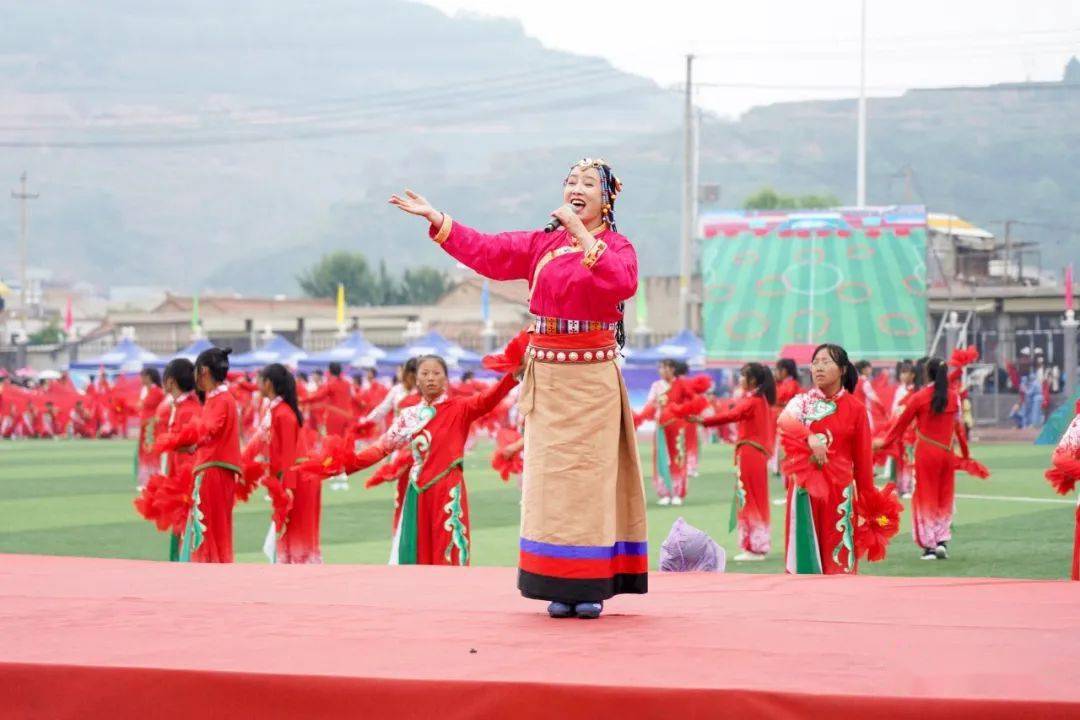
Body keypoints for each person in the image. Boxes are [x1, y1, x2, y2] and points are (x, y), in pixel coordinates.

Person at [389, 157, 647, 619]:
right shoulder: (540, 244)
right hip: (547, 377)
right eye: (571, 181)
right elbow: (487, 251)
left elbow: (621, 282)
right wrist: (439, 220)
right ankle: (554, 581)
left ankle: (590, 585)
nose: (577, 187)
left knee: (587, 480)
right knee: (549, 482)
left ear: (606, 198)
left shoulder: (617, 245)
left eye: (588, 183)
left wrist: (583, 235)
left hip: (590, 379)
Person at [310, 355, 518, 566]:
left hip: (448, 491)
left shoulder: (461, 408)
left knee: (447, 554)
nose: (431, 379)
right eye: (425, 373)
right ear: (416, 379)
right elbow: (381, 448)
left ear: (446, 379)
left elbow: (490, 397)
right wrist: (344, 465)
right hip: (417, 493)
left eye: (437, 373)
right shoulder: (409, 415)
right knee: (418, 557)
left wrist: (514, 374)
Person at [777, 344, 901, 574]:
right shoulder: (802, 403)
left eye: (826, 362)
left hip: (840, 500)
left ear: (843, 369)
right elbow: (784, 421)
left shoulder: (856, 409)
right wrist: (810, 437)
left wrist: (876, 517)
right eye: (816, 362)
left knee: (839, 566)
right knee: (803, 569)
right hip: (804, 496)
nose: (819, 368)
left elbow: (863, 468)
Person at [874, 357, 980, 560]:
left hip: (926, 453)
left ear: (926, 373)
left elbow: (900, 426)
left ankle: (929, 546)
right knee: (944, 496)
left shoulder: (919, 397)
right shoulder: (953, 398)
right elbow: (959, 431)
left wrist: (883, 443)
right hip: (947, 453)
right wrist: (966, 456)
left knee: (925, 498)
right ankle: (942, 541)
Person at [692, 363, 776, 561]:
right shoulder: (759, 399)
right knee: (751, 496)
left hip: (750, 453)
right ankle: (756, 543)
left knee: (749, 498)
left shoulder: (753, 400)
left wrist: (703, 421)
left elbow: (731, 415)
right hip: (753, 453)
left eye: (743, 376)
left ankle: (755, 547)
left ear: (753, 380)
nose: (740, 380)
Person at [260, 363, 322, 564]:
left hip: (298, 481)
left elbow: (288, 454)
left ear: (268, 383)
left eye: (261, 380)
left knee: (297, 537)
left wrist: (287, 487)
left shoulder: (283, 414)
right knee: (287, 535)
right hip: (292, 478)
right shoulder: (277, 410)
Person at [185, 347, 242, 562]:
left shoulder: (221, 400)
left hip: (213, 471)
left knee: (208, 525)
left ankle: (210, 567)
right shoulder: (217, 398)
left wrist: (186, 439)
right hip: (214, 469)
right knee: (214, 525)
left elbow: (209, 429)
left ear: (205, 371)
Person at [303, 361, 354, 439]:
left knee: (332, 440)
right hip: (347, 416)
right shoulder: (347, 383)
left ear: (329, 371)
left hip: (334, 416)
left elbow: (318, 396)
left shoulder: (331, 384)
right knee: (343, 441)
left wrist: (302, 400)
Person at [136, 368, 166, 489]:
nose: (141, 379)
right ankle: (145, 480)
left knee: (150, 451)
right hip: (144, 426)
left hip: (152, 426)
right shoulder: (145, 391)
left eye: (142, 376)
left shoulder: (157, 391)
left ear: (149, 377)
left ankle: (153, 480)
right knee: (143, 451)